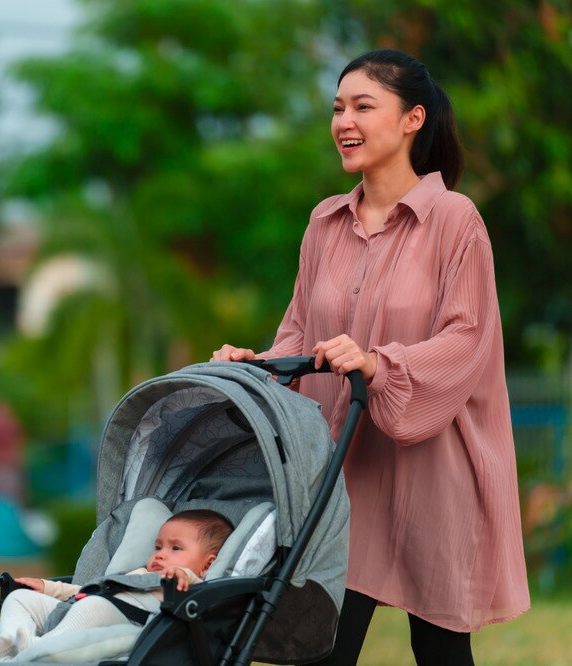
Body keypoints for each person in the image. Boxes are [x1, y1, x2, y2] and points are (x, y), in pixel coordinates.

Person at [211, 49, 529, 665]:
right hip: (343, 470)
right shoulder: (324, 223)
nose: (343, 122)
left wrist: (380, 365)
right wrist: (257, 364)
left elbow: (468, 339)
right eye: (337, 109)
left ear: (413, 119)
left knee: (440, 649)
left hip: (433, 468)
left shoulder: (455, 220)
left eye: (362, 106)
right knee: (324, 649)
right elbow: (301, 333)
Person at [0, 509, 233, 657]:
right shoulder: (137, 572)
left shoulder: (190, 584)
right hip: (88, 600)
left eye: (176, 548)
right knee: (19, 598)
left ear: (207, 565)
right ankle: (11, 638)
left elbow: (190, 581)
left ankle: (38, 648)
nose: (160, 554)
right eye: (158, 547)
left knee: (91, 606)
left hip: (121, 615)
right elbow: (92, 588)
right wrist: (47, 587)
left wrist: (183, 576)